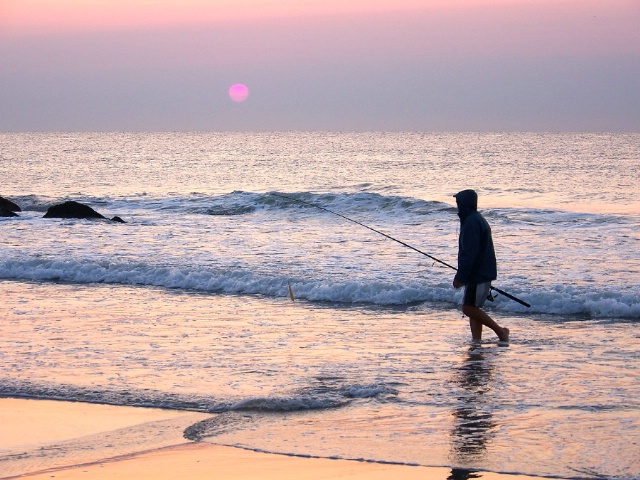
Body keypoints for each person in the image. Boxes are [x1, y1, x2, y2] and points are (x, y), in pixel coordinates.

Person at [452, 189, 509, 342]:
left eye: (458, 202)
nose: (456, 206)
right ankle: (476, 342)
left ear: (463, 204)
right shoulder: (475, 219)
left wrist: (460, 276)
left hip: (477, 274)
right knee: (473, 308)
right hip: (481, 272)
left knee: (468, 308)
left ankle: (501, 332)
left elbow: (469, 254)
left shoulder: (471, 222)